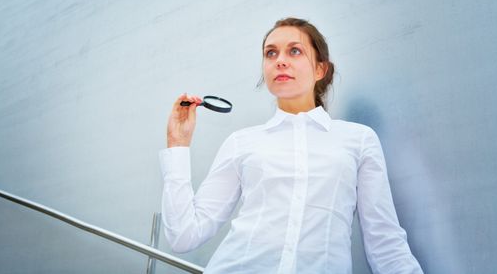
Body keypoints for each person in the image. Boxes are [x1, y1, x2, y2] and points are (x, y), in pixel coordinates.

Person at [159, 17, 423, 274]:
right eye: (270, 53)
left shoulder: (359, 140)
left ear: (321, 69)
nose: (280, 60)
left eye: (294, 51)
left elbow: (386, 243)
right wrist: (178, 144)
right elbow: (184, 236)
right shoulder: (241, 142)